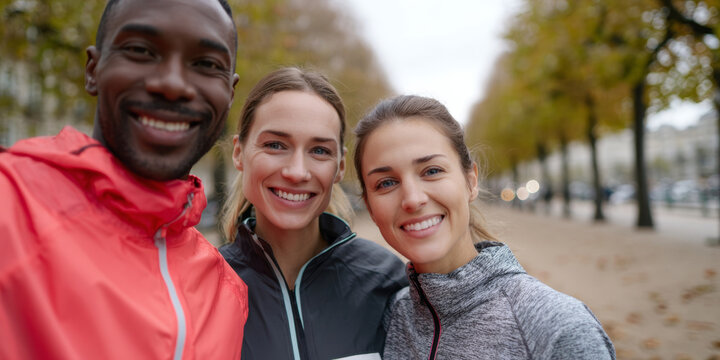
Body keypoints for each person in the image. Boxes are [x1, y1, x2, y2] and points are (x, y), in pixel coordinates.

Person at [0, 0, 248, 358]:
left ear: (229, 94)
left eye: (207, 64)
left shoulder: (227, 292)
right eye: (140, 51)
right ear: (93, 70)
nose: (173, 85)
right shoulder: (10, 207)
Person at [353, 95, 616, 359]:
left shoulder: (558, 328)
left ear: (471, 181)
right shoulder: (385, 320)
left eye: (431, 171)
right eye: (386, 183)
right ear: (369, 205)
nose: (412, 199)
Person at [219, 67, 407, 360]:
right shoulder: (201, 286)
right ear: (239, 152)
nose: (297, 172)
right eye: (275, 145)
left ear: (340, 166)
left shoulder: (388, 281)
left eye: (319, 151)